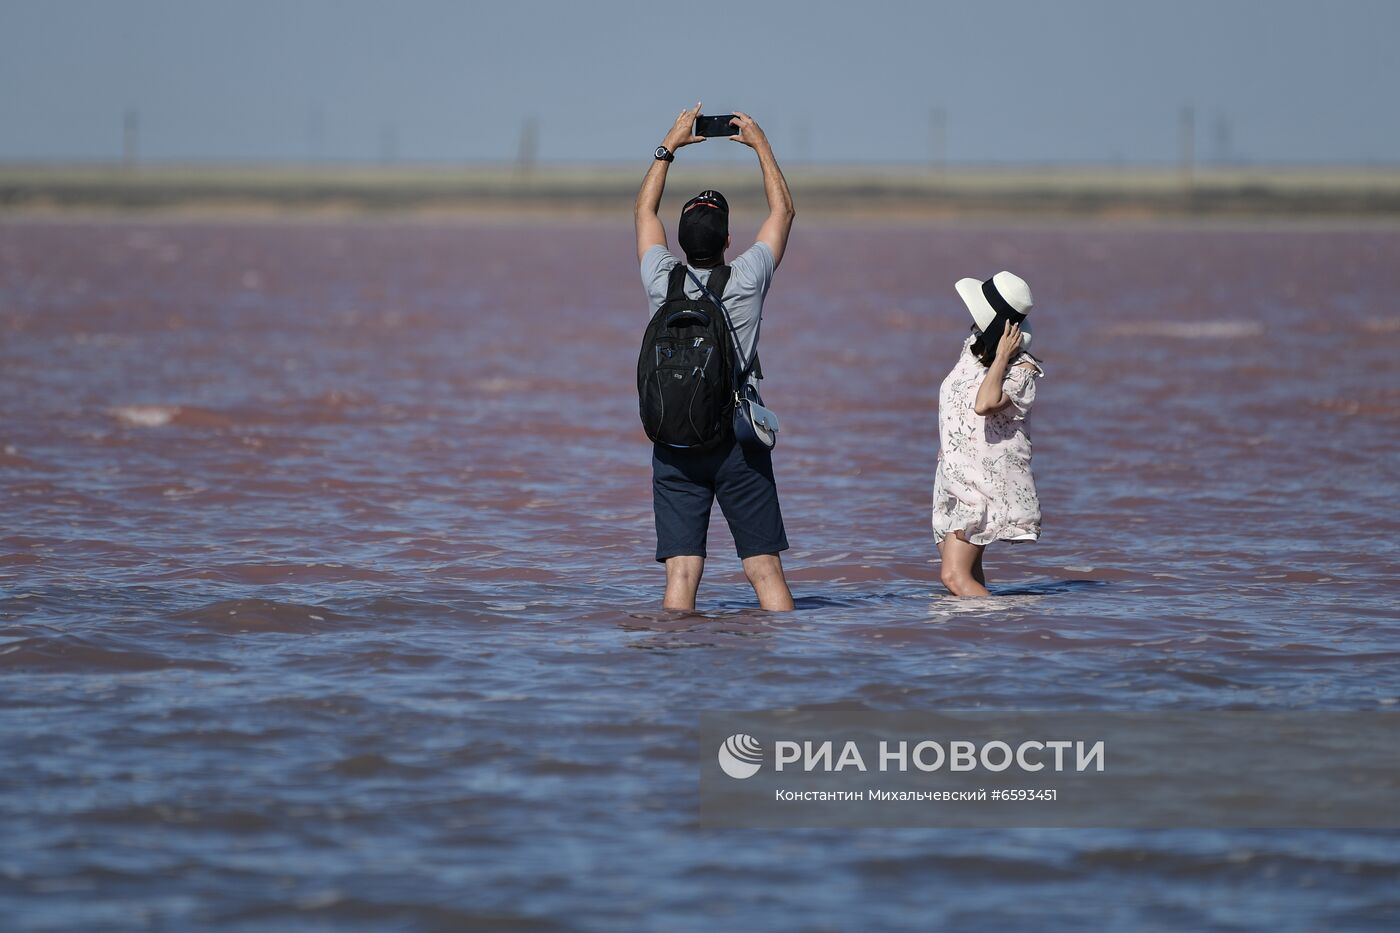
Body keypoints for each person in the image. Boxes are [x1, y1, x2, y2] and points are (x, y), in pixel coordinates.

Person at [634, 102, 796, 611]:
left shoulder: (662, 278)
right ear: (729, 241)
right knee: (763, 570)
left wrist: (670, 145)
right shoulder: (747, 278)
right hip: (737, 443)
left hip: (673, 443)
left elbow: (643, 213)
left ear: (677, 244)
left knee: (681, 574)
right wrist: (761, 146)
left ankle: (677, 680)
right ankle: (788, 672)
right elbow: (783, 213)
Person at [931, 271, 1046, 597]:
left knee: (953, 577)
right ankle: (984, 639)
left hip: (983, 482)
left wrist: (1002, 358)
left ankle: (1010, 626)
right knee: (966, 579)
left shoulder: (1020, 371)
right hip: (954, 476)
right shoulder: (972, 348)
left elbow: (985, 403)